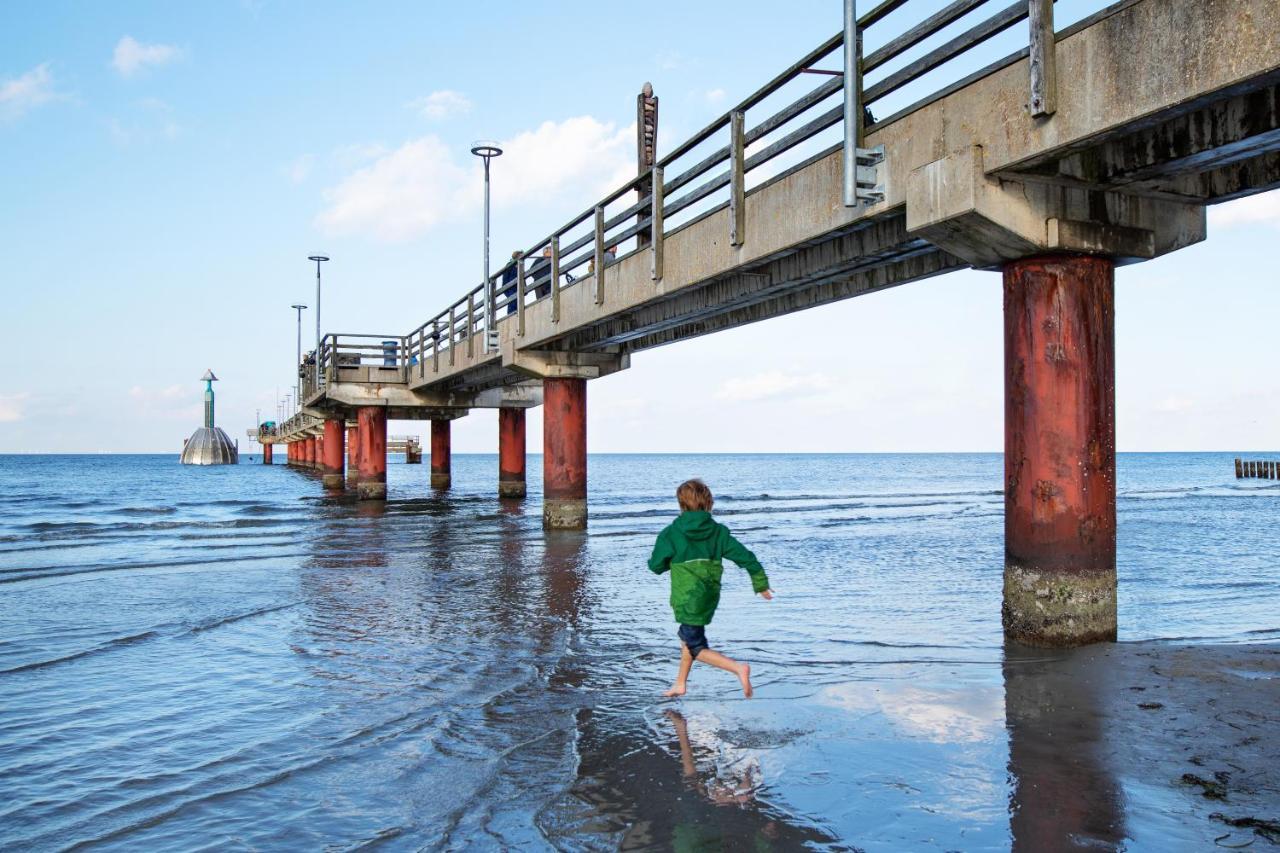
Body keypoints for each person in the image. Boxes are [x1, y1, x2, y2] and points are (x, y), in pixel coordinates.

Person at [648, 479, 773, 698]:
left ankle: (737, 668)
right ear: (708, 502)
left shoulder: (671, 533)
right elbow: (746, 558)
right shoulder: (718, 532)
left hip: (687, 597)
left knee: (695, 646)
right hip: (709, 596)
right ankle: (680, 683)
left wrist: (672, 562)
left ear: (681, 504)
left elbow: (656, 566)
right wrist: (760, 583)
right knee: (689, 636)